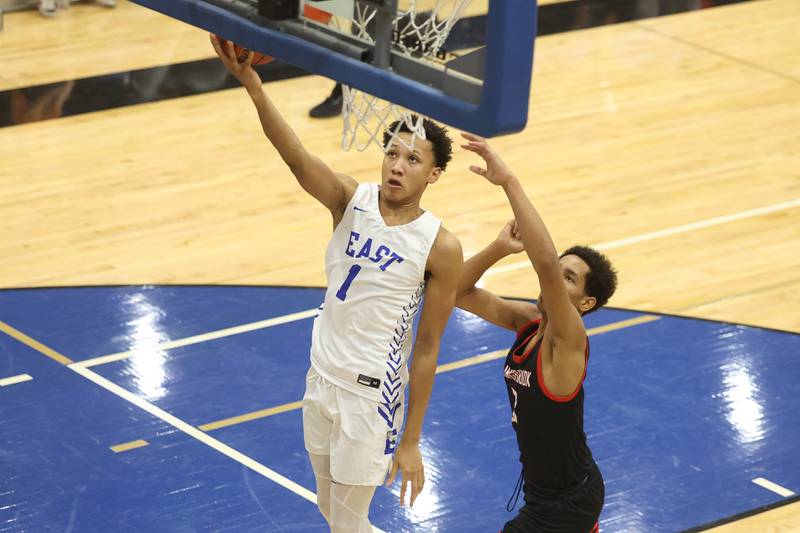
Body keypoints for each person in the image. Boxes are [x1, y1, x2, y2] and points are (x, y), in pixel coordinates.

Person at [210, 36, 463, 532]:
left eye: (413, 160)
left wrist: (411, 439)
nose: (397, 165)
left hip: (371, 397)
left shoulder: (441, 246)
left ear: (434, 174)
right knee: (332, 513)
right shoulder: (351, 199)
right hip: (321, 377)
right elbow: (298, 159)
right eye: (392, 153)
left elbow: (429, 347)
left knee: (346, 525)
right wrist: (254, 87)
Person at [457, 132, 617, 533]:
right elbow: (457, 291)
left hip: (566, 501)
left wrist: (509, 181)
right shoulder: (529, 323)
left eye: (570, 279)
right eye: (559, 271)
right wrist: (497, 248)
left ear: (585, 304)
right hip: (551, 491)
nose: (555, 282)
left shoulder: (569, 339)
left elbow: (544, 263)